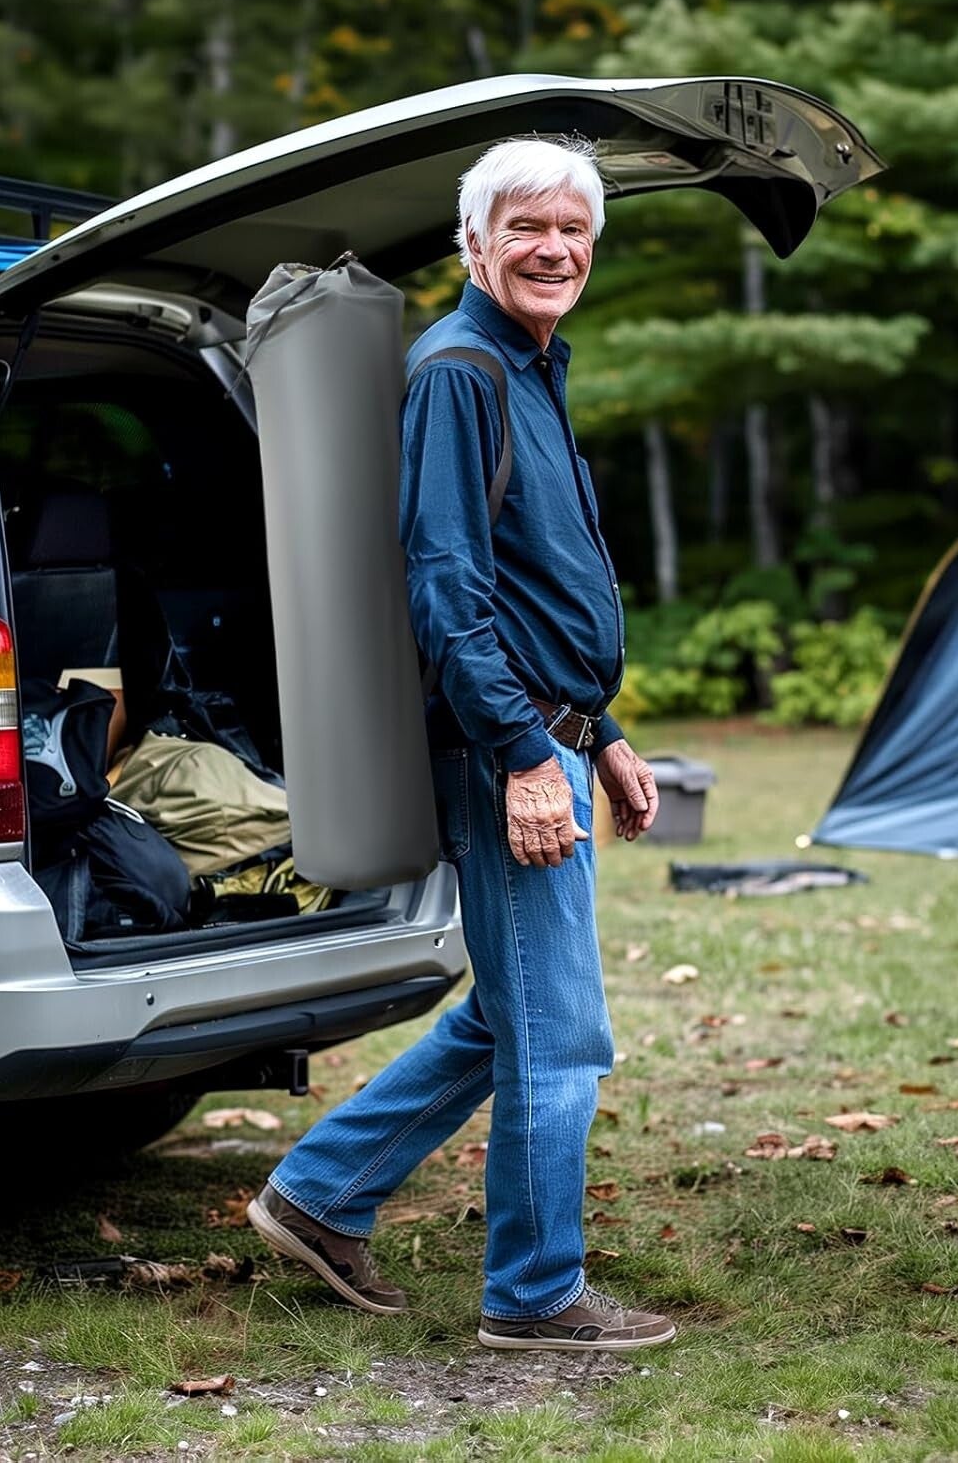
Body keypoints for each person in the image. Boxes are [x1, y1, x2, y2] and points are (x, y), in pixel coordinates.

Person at [248, 136, 673, 1352]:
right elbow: (447, 586)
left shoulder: (530, 364)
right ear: (473, 243)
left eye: (573, 231)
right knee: (562, 1032)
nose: (554, 249)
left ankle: (319, 1195)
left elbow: (540, 583)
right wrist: (527, 756)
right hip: (505, 755)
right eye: (526, 227)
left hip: (547, 736)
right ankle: (536, 1296)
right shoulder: (460, 372)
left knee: (514, 1013)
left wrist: (603, 734)